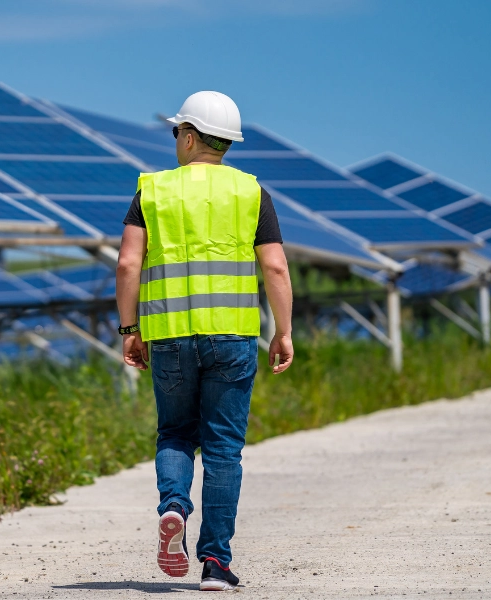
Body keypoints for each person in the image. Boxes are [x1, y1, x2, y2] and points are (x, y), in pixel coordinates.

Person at [115, 91, 294, 592]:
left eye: (177, 132)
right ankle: (215, 563)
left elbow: (129, 264)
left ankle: (173, 507)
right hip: (233, 337)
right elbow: (275, 266)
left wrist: (130, 331)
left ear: (189, 136)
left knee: (175, 433)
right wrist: (283, 331)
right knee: (223, 450)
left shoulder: (151, 192)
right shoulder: (251, 192)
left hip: (169, 336)